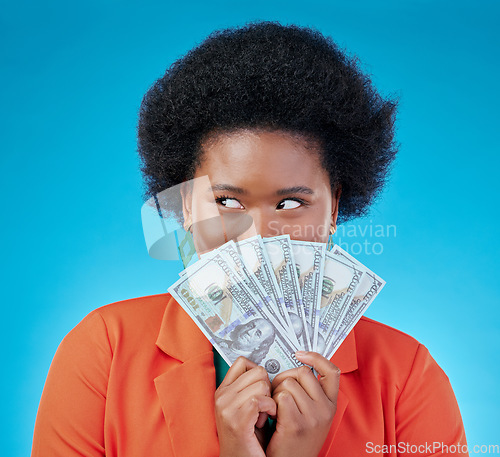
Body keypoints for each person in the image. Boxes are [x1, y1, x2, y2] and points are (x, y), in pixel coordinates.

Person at [31, 21, 468, 457]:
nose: (259, 239)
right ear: (186, 205)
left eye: (291, 204)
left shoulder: (407, 376)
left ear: (334, 207)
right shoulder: (104, 352)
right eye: (228, 202)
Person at [212, 318, 276, 364]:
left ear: (260, 346)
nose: (249, 332)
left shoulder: (244, 368)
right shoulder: (214, 339)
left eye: (257, 334)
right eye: (250, 326)